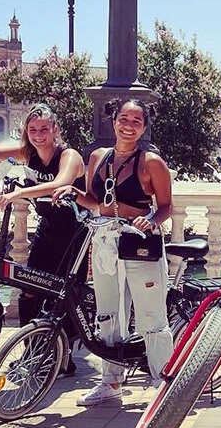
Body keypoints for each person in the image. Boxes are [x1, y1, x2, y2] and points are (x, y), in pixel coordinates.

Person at [53, 98, 174, 405]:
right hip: (106, 240)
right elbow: (95, 200)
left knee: (151, 315)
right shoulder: (98, 157)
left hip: (139, 242)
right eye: (124, 118)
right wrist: (73, 193)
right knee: (108, 313)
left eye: (136, 121)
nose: (128, 125)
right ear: (114, 121)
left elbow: (166, 206)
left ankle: (164, 382)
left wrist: (149, 221)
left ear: (144, 126)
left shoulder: (151, 162)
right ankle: (111, 382)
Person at [0, 103, 88, 374]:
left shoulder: (68, 155)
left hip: (74, 233)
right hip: (47, 230)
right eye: (33, 129)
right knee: (29, 287)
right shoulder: (28, 152)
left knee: (65, 295)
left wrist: (17, 194)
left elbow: (59, 183)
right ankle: (31, 350)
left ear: (55, 129)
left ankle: (63, 356)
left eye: (44, 129)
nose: (38, 134)